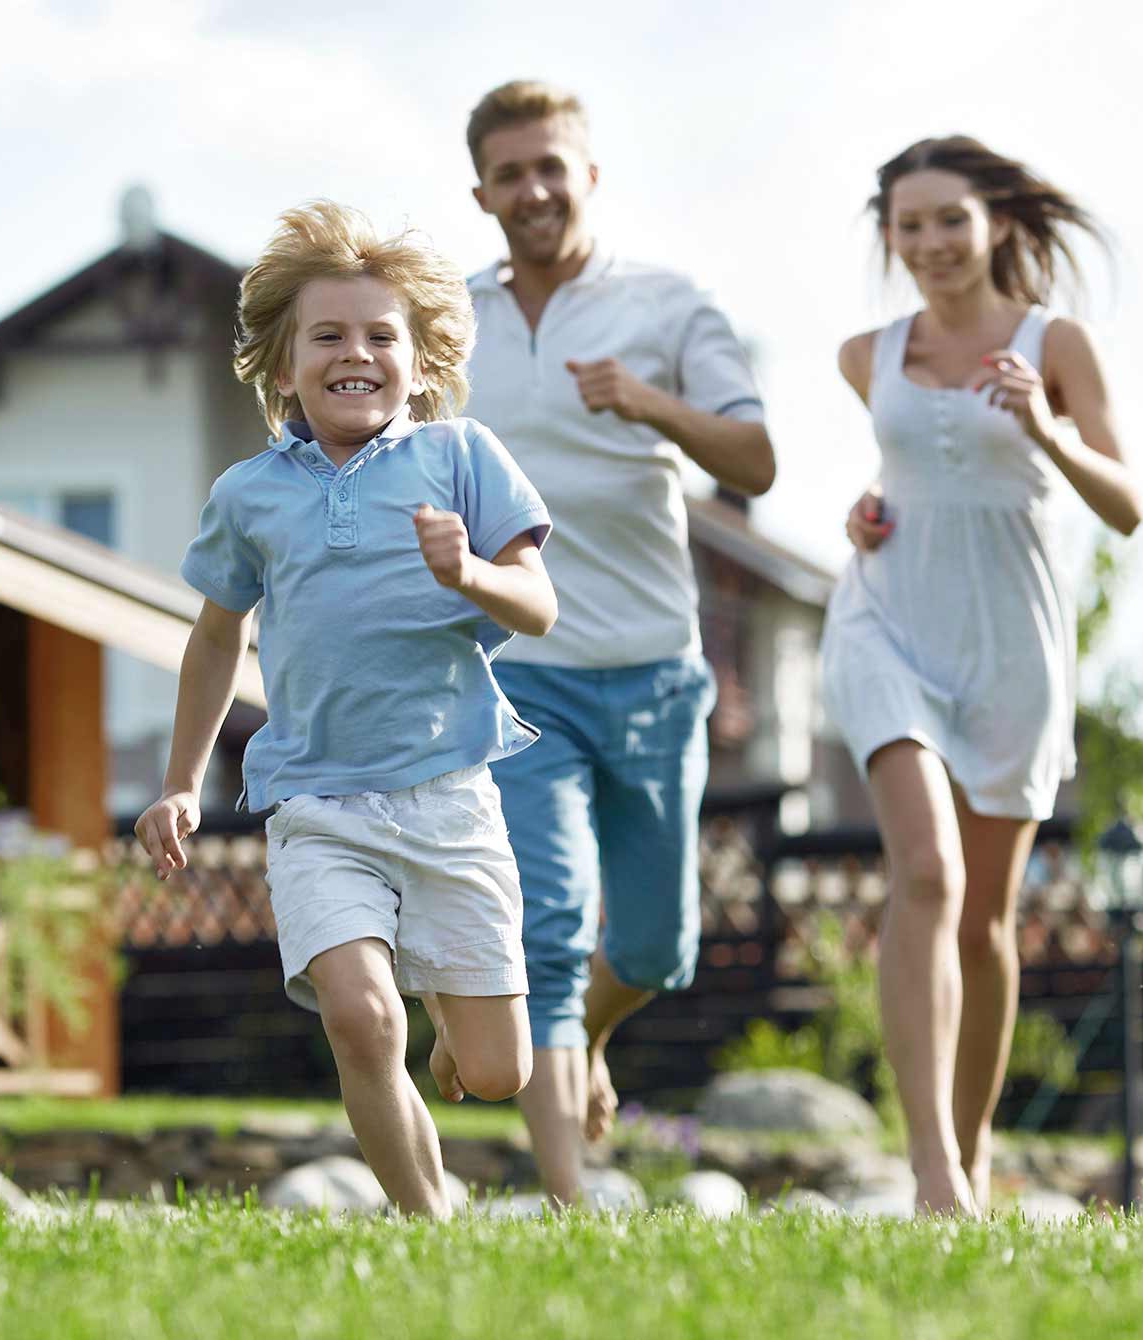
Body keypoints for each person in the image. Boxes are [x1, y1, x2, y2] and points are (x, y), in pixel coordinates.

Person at [134, 201, 558, 1218]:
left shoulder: (461, 456)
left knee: (498, 1071)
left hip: (448, 793)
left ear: (419, 361)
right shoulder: (250, 495)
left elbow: (538, 604)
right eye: (327, 335)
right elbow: (215, 636)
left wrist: (471, 575)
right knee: (363, 1019)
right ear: (282, 366)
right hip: (316, 802)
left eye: (380, 336)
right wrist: (182, 781)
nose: (354, 353)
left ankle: (462, 1030)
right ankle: (431, 1222)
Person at [459, 80, 777, 1207]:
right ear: (483, 191)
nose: (534, 189)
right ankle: (566, 1193)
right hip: (516, 669)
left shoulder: (668, 305)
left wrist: (651, 405)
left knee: (656, 947)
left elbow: (754, 463)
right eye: (511, 172)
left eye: (553, 166)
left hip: (652, 668)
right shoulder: (454, 321)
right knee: (548, 926)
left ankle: (585, 1040)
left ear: (588, 175)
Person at [822, 135, 1143, 1216]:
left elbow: (1126, 503)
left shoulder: (1058, 343)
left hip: (1011, 641)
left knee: (985, 920)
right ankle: (931, 1170)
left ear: (996, 221)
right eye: (907, 227)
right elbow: (904, 471)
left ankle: (973, 1143)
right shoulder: (866, 352)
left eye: (948, 220)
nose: (929, 245)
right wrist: (862, 511)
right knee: (926, 873)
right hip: (887, 622)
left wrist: (1047, 429)